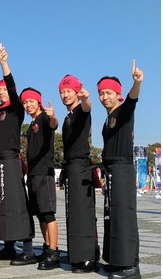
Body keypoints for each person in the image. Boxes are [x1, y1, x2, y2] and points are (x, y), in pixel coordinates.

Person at [0, 44, 35, 265]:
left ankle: (26, 249)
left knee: (17, 204)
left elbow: (13, 87)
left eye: (3, 89)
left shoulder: (16, 108)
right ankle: (7, 246)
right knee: (2, 204)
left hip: (11, 162)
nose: (1, 92)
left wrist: (3, 64)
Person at [97, 60, 143, 279]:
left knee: (123, 218)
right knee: (112, 218)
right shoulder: (107, 119)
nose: (105, 97)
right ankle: (117, 260)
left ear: (118, 94)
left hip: (122, 169)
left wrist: (137, 82)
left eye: (108, 92)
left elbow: (133, 98)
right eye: (101, 93)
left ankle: (130, 266)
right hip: (111, 171)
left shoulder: (124, 111)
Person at [58, 75, 98, 273]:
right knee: (73, 213)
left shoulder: (81, 111)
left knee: (83, 214)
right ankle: (77, 254)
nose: (65, 95)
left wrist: (85, 99)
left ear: (77, 92)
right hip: (71, 167)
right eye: (62, 92)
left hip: (82, 167)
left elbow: (88, 107)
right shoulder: (67, 117)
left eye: (69, 91)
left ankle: (88, 258)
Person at [20, 87, 60, 270]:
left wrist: (52, 116)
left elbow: (53, 124)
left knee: (48, 214)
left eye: (31, 101)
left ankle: (53, 252)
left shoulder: (44, 117)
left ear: (38, 102)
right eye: (25, 102)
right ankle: (46, 247)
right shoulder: (31, 125)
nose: (28, 105)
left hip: (44, 173)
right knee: (40, 215)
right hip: (33, 174)